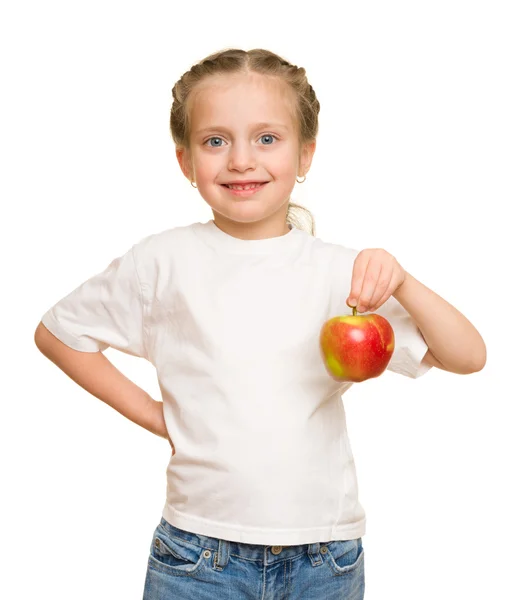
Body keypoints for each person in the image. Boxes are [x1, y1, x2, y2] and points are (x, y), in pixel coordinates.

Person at [34, 47, 487, 600]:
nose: (241, 160)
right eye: (215, 141)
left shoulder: (343, 275)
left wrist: (404, 281)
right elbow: (59, 333)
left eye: (267, 139)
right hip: (198, 555)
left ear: (306, 155)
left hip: (325, 557)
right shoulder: (162, 261)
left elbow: (467, 357)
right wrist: (158, 418)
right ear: (185, 161)